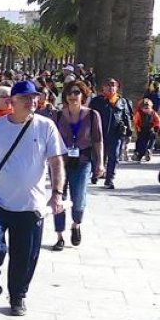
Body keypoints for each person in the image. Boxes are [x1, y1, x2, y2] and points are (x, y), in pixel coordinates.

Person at [0, 81, 66, 316]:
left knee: (25, 255)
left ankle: (18, 296)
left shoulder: (46, 126)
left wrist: (57, 194)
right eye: (27, 98)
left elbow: (56, 162)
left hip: (31, 206)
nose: (33, 102)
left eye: (35, 97)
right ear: (12, 102)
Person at [50, 81, 103, 251]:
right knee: (58, 197)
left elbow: (98, 140)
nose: (73, 96)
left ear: (83, 95)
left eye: (77, 93)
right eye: (70, 93)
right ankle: (59, 235)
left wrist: (100, 163)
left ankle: (76, 224)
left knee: (78, 199)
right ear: (65, 96)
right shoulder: (57, 116)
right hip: (60, 163)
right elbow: (51, 141)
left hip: (82, 161)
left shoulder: (93, 115)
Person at [88, 78, 132, 189]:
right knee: (97, 155)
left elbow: (126, 117)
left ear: (117, 88)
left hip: (115, 133)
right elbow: (89, 117)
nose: (111, 88)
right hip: (99, 133)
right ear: (103, 88)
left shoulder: (122, 101)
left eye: (113, 86)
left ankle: (109, 179)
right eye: (108, 85)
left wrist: (129, 134)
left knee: (114, 156)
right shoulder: (97, 101)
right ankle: (96, 173)